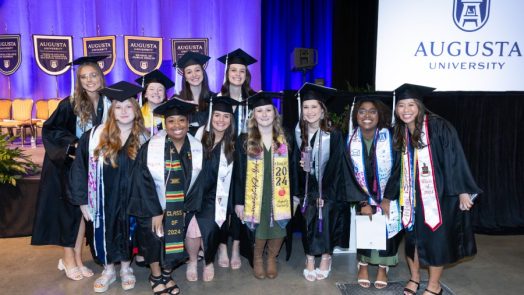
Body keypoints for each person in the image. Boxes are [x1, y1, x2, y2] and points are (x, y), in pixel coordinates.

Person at [392, 84, 482, 295]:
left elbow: (455, 159)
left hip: (439, 194)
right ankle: (414, 278)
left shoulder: (440, 126)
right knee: (412, 238)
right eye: (401, 105)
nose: (406, 110)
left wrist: (462, 190)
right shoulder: (401, 130)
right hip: (411, 195)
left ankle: (434, 285)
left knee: (436, 241)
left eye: (411, 105)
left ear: (420, 106)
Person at [31, 55, 111, 281]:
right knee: (68, 214)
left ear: (101, 76)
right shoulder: (71, 103)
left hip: (91, 167)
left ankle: (76, 257)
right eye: (84, 77)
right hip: (65, 166)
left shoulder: (108, 101)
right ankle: (68, 259)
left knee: (82, 214)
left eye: (93, 75)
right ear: (79, 80)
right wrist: (74, 144)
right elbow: (50, 130)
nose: (89, 80)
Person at [69, 81, 148, 292]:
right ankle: (108, 270)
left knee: (129, 231)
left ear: (136, 109)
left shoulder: (145, 138)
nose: (123, 111)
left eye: (128, 106)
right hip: (104, 198)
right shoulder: (94, 136)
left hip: (133, 198)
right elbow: (79, 169)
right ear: (112, 110)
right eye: (118, 107)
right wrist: (82, 200)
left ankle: (125, 269)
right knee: (104, 232)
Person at [129, 98, 204, 295]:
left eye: (181, 120)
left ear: (188, 123)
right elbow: (142, 181)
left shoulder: (196, 148)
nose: (177, 125)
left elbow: (199, 182)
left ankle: (167, 275)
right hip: (153, 208)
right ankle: (155, 276)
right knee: (154, 239)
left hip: (181, 207)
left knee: (176, 239)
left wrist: (188, 207)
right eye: (171, 121)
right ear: (165, 123)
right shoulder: (151, 148)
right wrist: (156, 211)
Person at [233, 92, 298, 279]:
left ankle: (271, 257)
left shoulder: (286, 138)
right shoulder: (245, 140)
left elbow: (293, 167)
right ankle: (258, 258)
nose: (264, 114)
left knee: (280, 224)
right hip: (255, 192)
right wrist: (239, 202)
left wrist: (295, 195)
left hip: (280, 190)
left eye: (268, 110)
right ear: (254, 115)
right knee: (259, 225)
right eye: (259, 111)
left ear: (275, 113)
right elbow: (238, 173)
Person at [293, 83, 352, 282]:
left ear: (322, 110)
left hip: (329, 189)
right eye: (306, 107)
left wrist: (323, 193)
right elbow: (294, 163)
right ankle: (310, 258)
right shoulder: (298, 133)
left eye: (314, 107)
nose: (310, 112)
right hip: (307, 189)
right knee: (307, 216)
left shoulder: (332, 134)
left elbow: (337, 166)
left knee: (325, 213)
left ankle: (326, 257)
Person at [346, 95, 402, 289]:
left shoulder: (391, 138)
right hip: (363, 196)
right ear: (356, 115)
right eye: (362, 111)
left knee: (387, 230)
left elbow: (398, 170)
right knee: (366, 227)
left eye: (372, 111)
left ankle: (382, 268)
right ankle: (362, 265)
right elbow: (347, 174)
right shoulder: (349, 141)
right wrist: (362, 202)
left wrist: (387, 198)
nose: (367, 115)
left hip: (389, 196)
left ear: (380, 115)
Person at [216, 48, 257, 270]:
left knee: (242, 203)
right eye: (233, 70)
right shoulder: (218, 99)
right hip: (223, 157)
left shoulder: (253, 99)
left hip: (248, 158)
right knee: (223, 202)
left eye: (242, 71)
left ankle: (236, 247)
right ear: (227, 73)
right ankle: (222, 245)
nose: (238, 74)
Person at [191, 96, 240, 282]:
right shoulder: (197, 136)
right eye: (217, 115)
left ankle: (213, 256)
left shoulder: (234, 144)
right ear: (210, 116)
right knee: (195, 225)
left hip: (219, 194)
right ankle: (195, 260)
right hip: (196, 193)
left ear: (231, 120)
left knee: (216, 220)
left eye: (226, 116)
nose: (221, 120)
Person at [175, 51, 214, 134]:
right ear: (185, 77)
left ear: (203, 73)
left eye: (197, 70)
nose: (194, 75)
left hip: (208, 144)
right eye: (189, 72)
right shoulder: (177, 100)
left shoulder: (214, 99)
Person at [136, 69, 175, 136]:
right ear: (145, 94)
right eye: (151, 89)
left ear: (164, 95)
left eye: (160, 90)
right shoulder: (137, 114)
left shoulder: (172, 114)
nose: (156, 92)